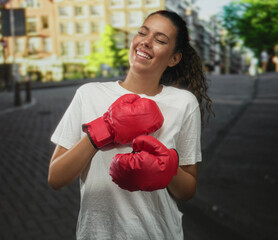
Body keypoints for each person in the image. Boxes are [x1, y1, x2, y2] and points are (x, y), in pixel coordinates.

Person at [48, 10, 213, 239]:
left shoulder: (184, 103)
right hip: (96, 234)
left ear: (174, 58)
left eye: (160, 40)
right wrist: (99, 133)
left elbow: (187, 191)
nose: (145, 42)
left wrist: (166, 166)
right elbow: (56, 177)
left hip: (157, 233)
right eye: (142, 33)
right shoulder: (89, 94)